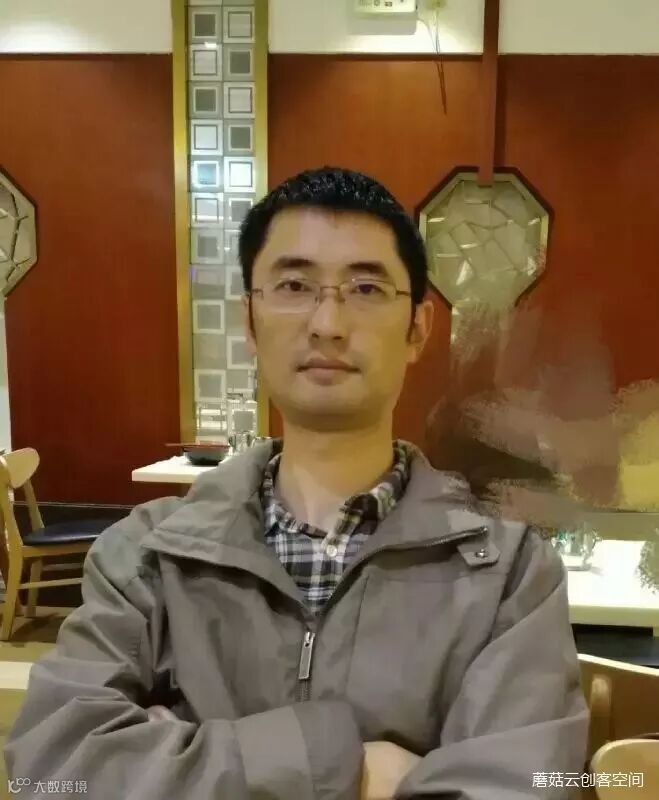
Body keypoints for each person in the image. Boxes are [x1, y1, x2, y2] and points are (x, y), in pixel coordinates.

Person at [5, 167, 588, 799]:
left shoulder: (509, 574)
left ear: (417, 329)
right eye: (294, 285)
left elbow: (529, 786)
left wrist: (184, 757)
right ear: (250, 322)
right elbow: (53, 770)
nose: (328, 323)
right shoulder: (146, 558)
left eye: (366, 288)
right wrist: (343, 765)